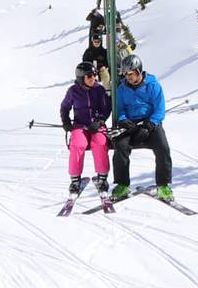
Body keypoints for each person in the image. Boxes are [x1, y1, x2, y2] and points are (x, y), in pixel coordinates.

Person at [111, 54, 172, 201]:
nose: (128, 77)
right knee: (120, 146)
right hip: (131, 124)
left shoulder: (153, 85)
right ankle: (122, 184)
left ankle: (163, 185)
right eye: (126, 74)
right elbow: (120, 109)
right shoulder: (122, 89)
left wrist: (150, 124)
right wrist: (123, 120)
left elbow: (160, 110)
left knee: (163, 148)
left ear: (139, 71)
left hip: (150, 123)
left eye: (131, 74)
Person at [59, 60, 112, 199]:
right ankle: (75, 180)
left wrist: (99, 121)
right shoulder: (73, 91)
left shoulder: (99, 90)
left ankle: (102, 178)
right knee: (77, 144)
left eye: (94, 75)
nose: (93, 78)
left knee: (100, 143)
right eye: (89, 76)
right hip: (80, 125)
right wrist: (66, 121)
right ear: (81, 78)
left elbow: (106, 108)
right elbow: (64, 107)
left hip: (96, 125)